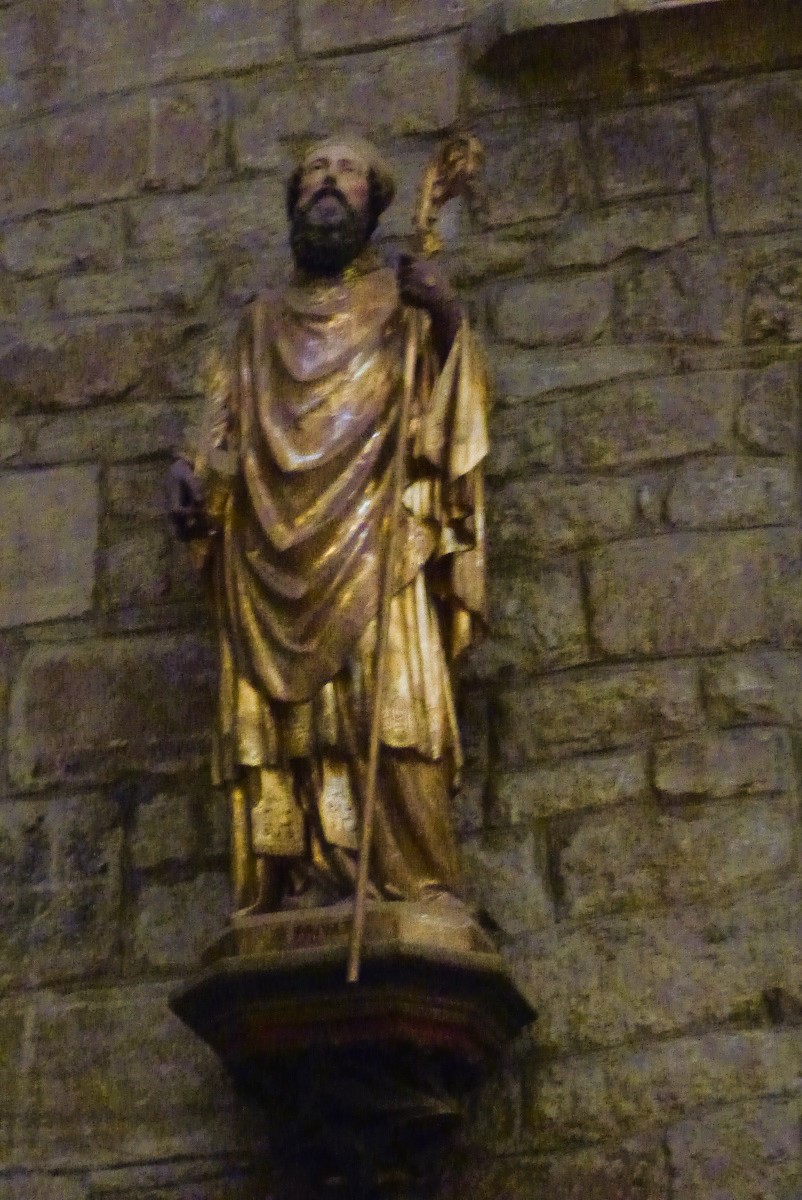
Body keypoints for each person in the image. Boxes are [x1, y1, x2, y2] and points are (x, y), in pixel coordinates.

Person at [168, 135, 487, 915]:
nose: (328, 182)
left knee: (390, 709)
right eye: (314, 171)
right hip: (269, 555)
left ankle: (412, 884)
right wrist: (190, 477)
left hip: (379, 539)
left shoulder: (405, 311)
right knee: (287, 733)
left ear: (374, 202)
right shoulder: (257, 325)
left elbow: (456, 428)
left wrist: (446, 316)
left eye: (346, 172)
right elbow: (214, 430)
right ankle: (301, 886)